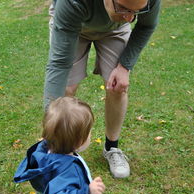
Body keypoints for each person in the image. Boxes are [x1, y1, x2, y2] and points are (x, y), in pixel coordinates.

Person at [44, 0, 161, 179]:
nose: (130, 18)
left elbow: (146, 26)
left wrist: (124, 67)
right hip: (74, 24)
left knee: (117, 87)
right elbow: (59, 64)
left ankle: (112, 147)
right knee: (66, 87)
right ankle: (58, 151)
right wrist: (49, 133)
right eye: (124, 9)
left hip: (114, 29)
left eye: (136, 12)